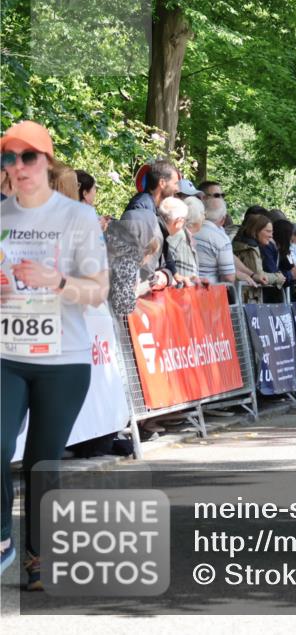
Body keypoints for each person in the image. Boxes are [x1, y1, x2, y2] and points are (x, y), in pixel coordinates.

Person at [0, 121, 110, 587]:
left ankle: (38, 554)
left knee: (44, 460)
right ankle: (3, 535)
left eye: (29, 157)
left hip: (62, 360)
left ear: (47, 162)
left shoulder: (76, 218)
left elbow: (99, 291)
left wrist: (57, 282)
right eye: (10, 158)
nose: (19, 167)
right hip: (6, 353)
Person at [233, 214, 287, 299]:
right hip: (247, 298)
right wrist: (278, 277)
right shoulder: (250, 248)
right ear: (256, 231)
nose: (271, 235)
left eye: (272, 232)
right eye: (268, 231)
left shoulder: (246, 244)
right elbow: (259, 275)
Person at [193, 197, 237, 285]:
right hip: (209, 291)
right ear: (223, 219)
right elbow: (229, 277)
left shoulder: (190, 229)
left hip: (186, 288)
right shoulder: (222, 239)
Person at [158, 197, 198, 285]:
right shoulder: (156, 237)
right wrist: (168, 278)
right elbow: (150, 277)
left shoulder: (160, 230)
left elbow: (168, 255)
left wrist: (176, 275)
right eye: (184, 221)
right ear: (179, 222)